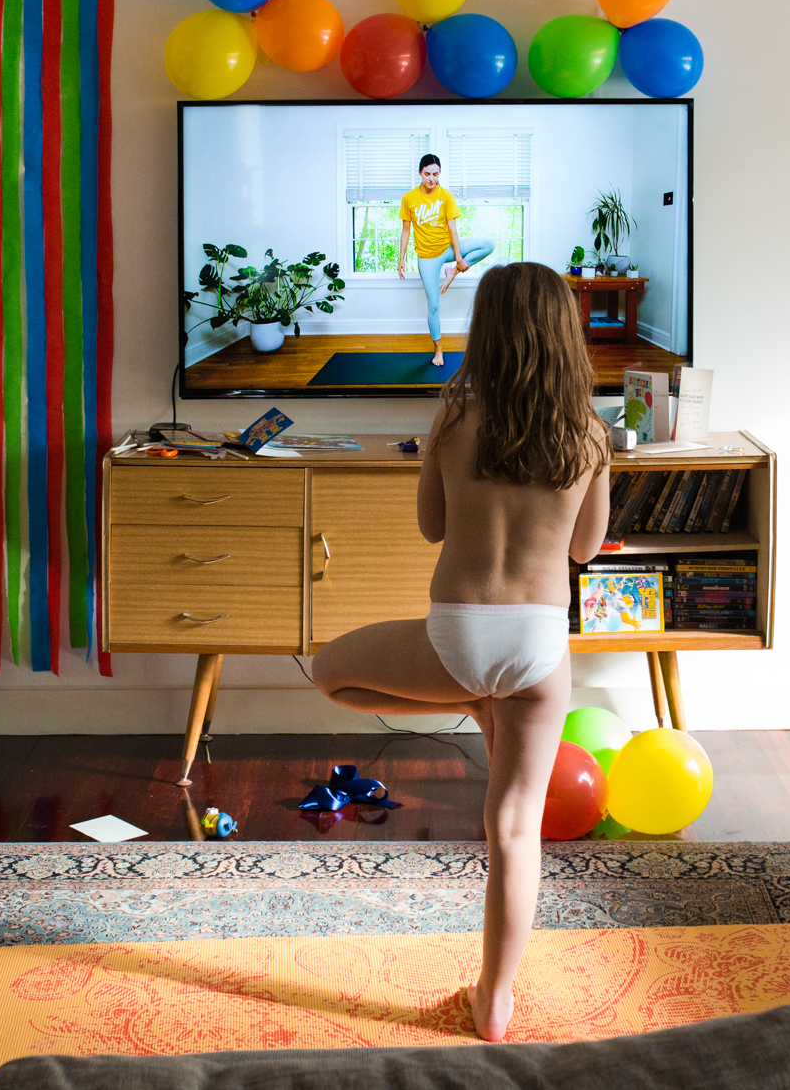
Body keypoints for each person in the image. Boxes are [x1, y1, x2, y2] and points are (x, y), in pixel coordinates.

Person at [312, 262, 609, 1042]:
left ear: (488, 331)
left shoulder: (453, 415)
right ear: (564, 332)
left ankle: (470, 699)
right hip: (540, 648)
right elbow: (585, 548)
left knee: (327, 670)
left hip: (457, 639)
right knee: (514, 827)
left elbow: (431, 525)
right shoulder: (589, 431)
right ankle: (497, 1001)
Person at [399, 154, 496, 367]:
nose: (431, 179)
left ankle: (452, 272)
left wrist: (459, 259)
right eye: (427, 174)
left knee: (488, 244)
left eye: (435, 174)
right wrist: (401, 259)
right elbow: (406, 231)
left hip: (448, 248)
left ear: (439, 173)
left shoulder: (446, 196)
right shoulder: (409, 198)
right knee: (434, 305)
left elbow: (453, 229)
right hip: (427, 256)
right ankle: (438, 349)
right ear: (420, 173)